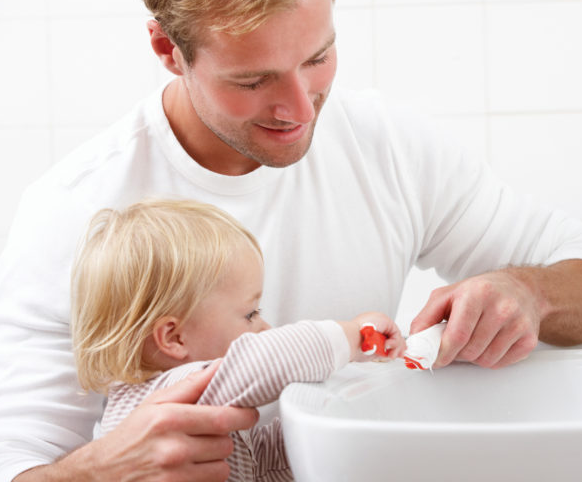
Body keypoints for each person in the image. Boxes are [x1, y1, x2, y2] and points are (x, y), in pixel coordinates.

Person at [0, 0, 582, 480]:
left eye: (317, 59)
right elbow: (5, 459)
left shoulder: (387, 146)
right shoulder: (76, 208)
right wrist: (102, 471)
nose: (299, 108)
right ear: (167, 49)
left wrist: (533, 294)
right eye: (253, 79)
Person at [71, 198, 404, 482]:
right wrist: (353, 335)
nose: (265, 327)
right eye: (250, 314)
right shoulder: (174, 391)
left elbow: (255, 464)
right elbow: (265, 359)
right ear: (173, 338)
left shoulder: (175, 409)